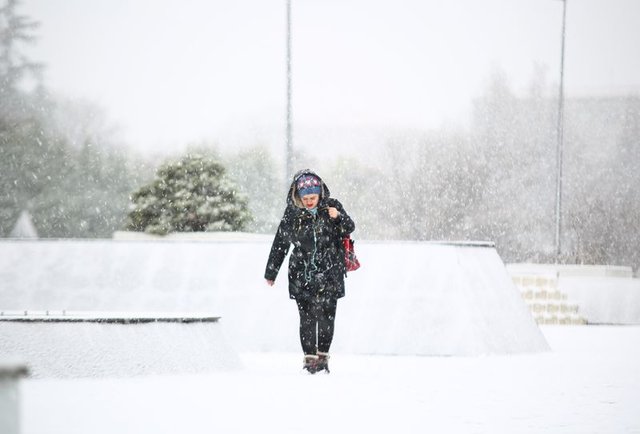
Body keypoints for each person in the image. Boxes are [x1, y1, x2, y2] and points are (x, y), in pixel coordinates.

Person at [265, 169, 355, 374]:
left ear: (319, 193)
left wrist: (338, 217)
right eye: (305, 198)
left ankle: (323, 359)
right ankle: (310, 360)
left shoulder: (332, 206)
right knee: (306, 318)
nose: (309, 202)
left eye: (312, 198)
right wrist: (271, 272)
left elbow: (350, 227)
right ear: (298, 195)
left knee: (327, 317)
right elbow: (280, 243)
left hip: (330, 271)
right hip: (301, 273)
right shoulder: (292, 213)